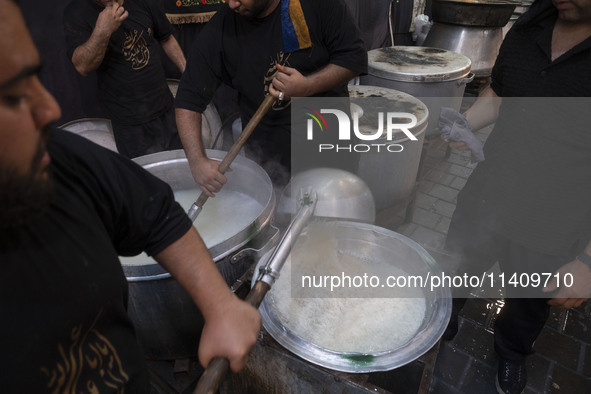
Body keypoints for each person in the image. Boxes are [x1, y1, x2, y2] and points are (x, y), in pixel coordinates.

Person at [0, 1, 260, 392]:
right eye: (15, 94)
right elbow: (83, 64)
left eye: (36, 77)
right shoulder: (80, 14)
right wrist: (103, 28)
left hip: (160, 107)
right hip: (130, 120)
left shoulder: (56, 158)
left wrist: (219, 305)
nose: (49, 108)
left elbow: (154, 209)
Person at [442, 0, 591, 393]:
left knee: (526, 305)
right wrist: (465, 123)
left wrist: (589, 260)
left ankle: (510, 351)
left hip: (552, 223)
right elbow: (501, 93)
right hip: (487, 196)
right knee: (455, 272)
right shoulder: (526, 30)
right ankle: (443, 320)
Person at [174, 0, 368, 196]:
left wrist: (307, 87)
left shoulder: (316, 5)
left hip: (327, 146)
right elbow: (188, 98)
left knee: (330, 220)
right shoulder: (224, 26)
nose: (232, 4)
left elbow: (354, 58)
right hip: (267, 160)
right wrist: (197, 162)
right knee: (275, 222)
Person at [63, 0, 187, 158]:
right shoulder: (77, 13)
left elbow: (166, 38)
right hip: (129, 124)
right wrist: (102, 31)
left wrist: (188, 74)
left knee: (180, 165)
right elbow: (83, 66)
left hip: (165, 109)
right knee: (144, 177)